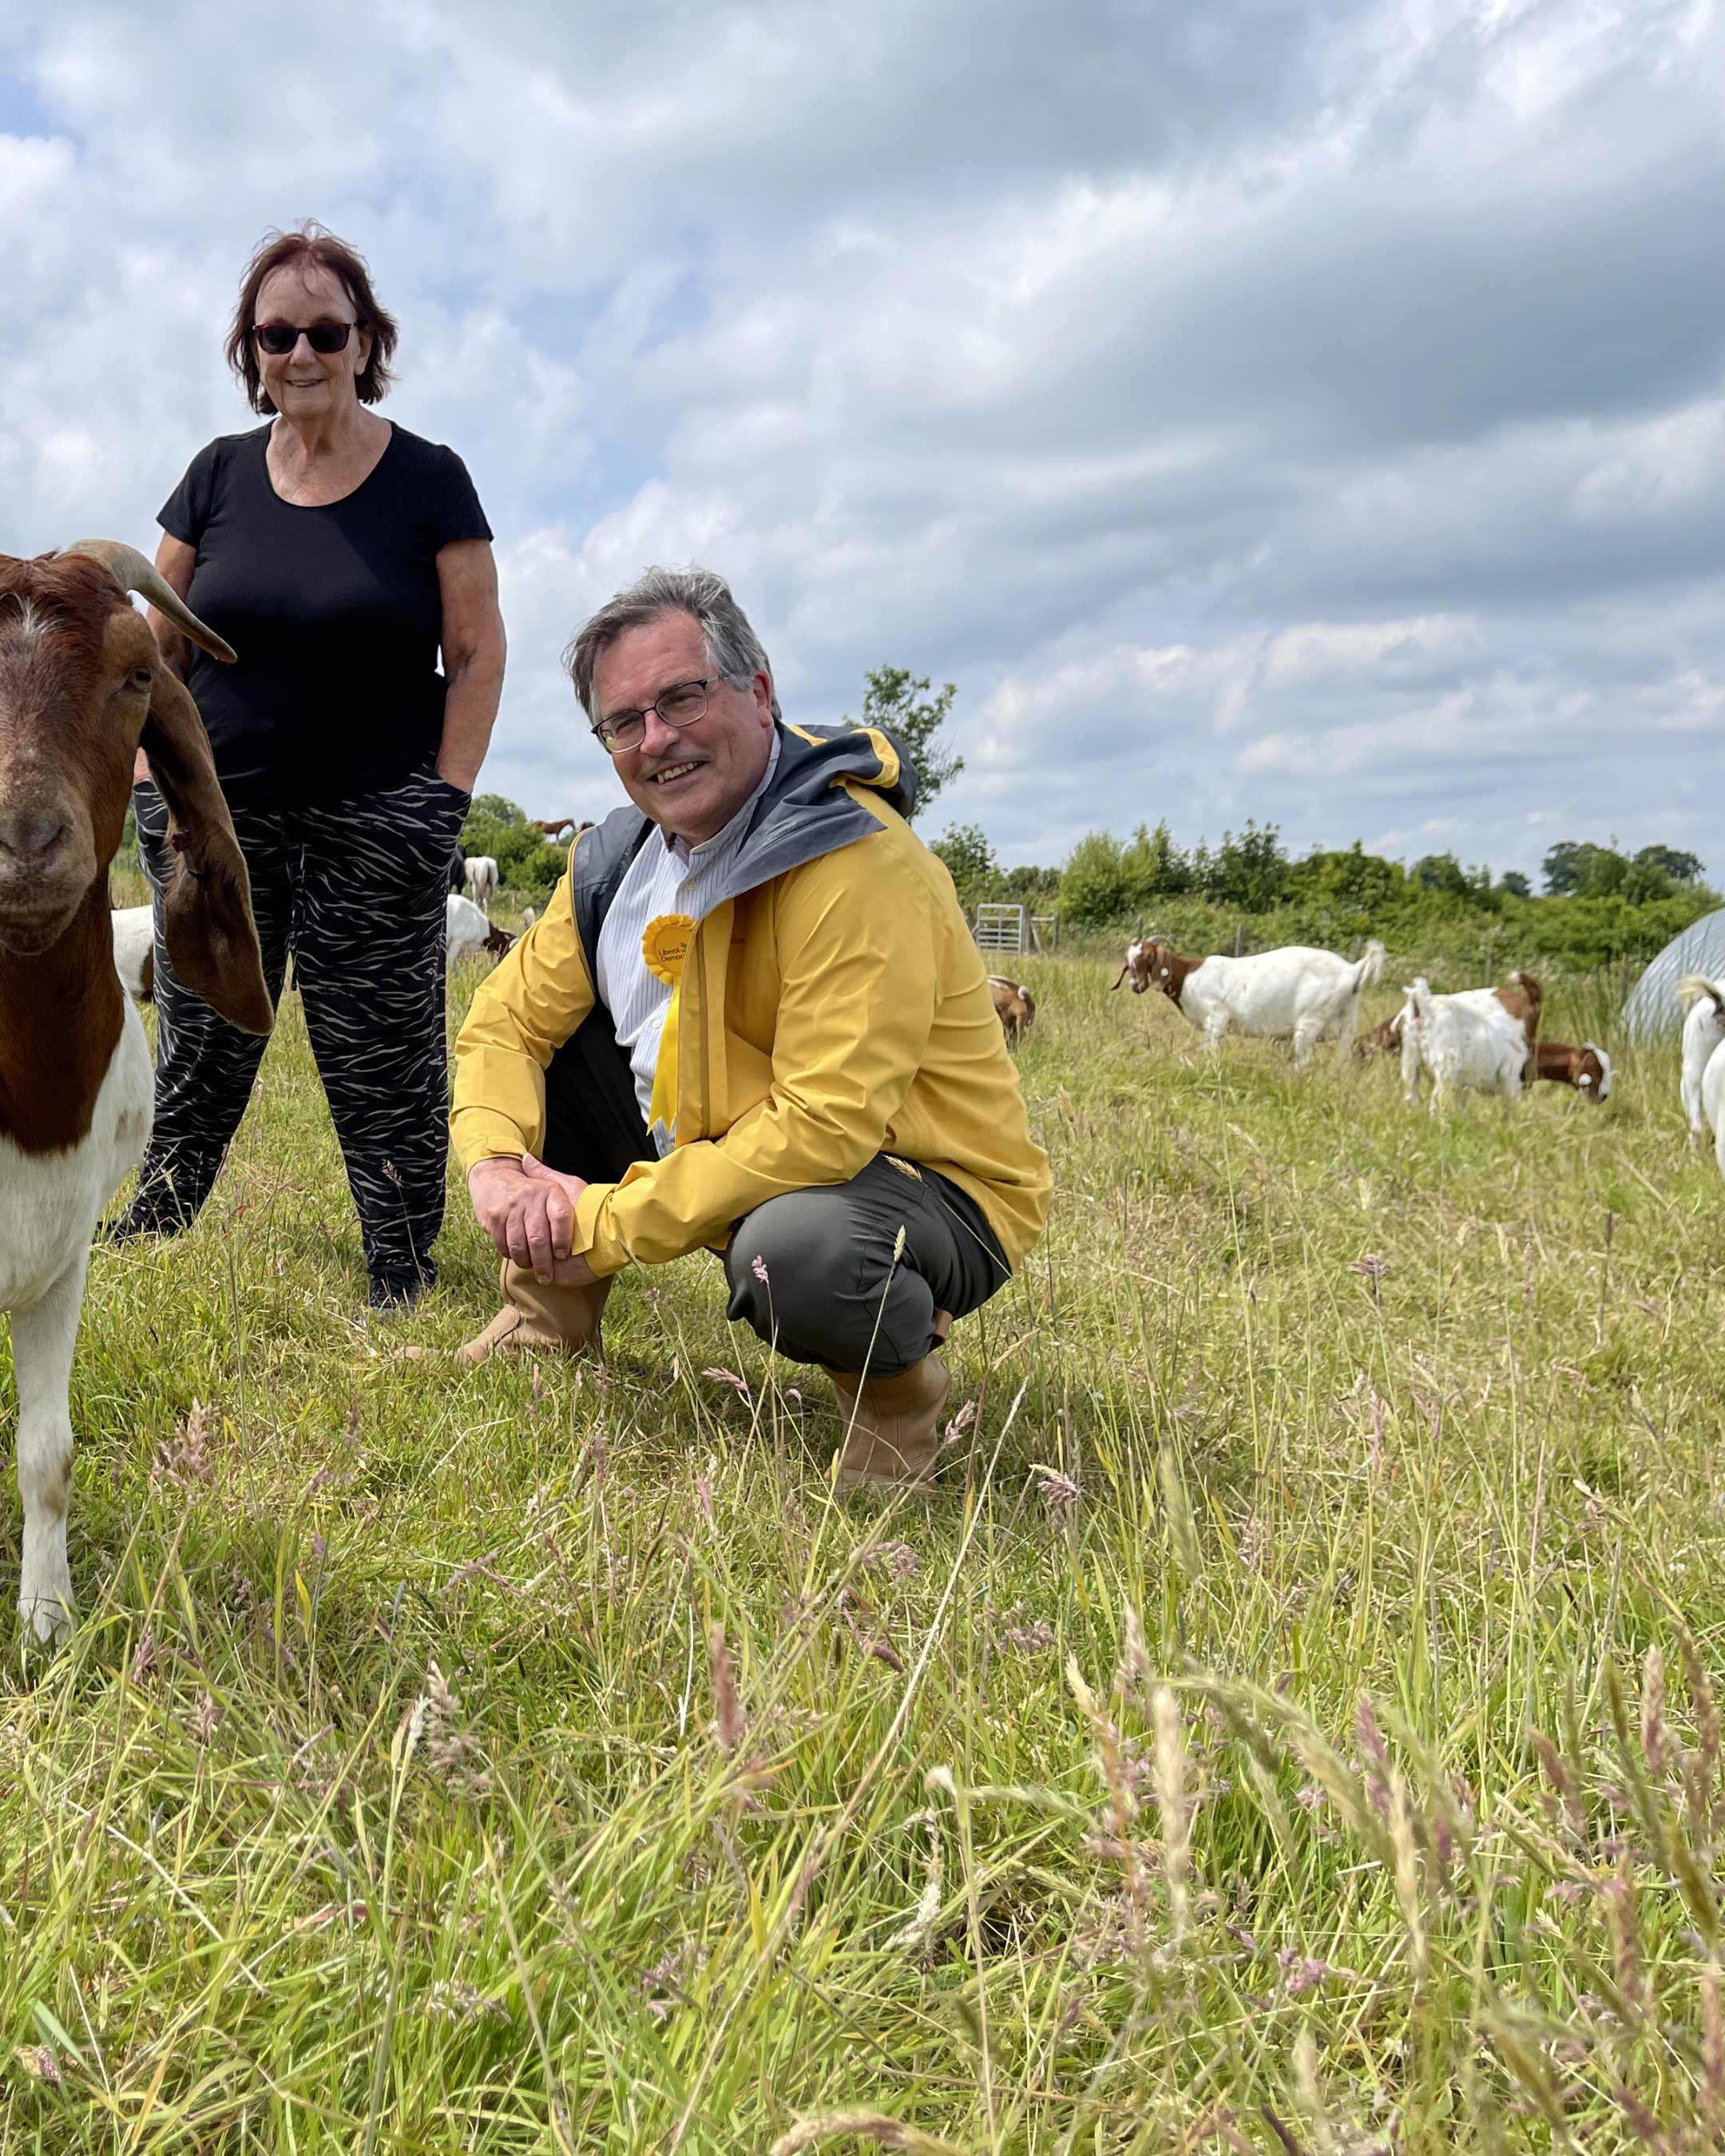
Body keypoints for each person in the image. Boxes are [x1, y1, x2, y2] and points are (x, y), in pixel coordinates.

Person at [450, 568, 1050, 1484]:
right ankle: (543, 1328)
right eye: (624, 721)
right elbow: (503, 1027)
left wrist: (601, 1219)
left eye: (682, 697)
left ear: (759, 691)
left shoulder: (855, 863)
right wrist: (494, 1164)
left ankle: (896, 1410)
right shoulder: (614, 861)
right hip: (721, 1137)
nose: (658, 739)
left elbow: (825, 1125)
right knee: (549, 1054)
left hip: (920, 1184)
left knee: (803, 1253)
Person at [111, 224, 507, 1309]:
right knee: (203, 1023)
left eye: (323, 332)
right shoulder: (217, 476)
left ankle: (400, 1260)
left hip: (379, 809)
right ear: (251, 349)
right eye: (274, 333)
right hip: (219, 817)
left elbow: (475, 654)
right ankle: (163, 1211)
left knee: (381, 1046)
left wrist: (445, 800)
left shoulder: (431, 480)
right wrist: (153, 785)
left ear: (365, 339)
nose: (299, 354)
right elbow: (158, 647)